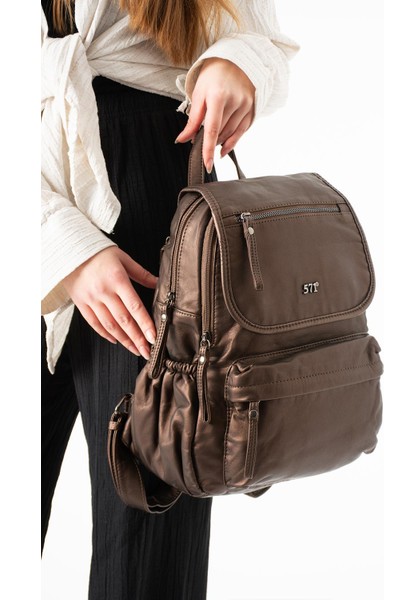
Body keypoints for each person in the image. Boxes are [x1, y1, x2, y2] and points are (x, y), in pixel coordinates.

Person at [41, 1, 300, 598]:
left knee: (148, 543)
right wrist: (59, 242)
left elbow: (262, 41)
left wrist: (236, 63)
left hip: (160, 205)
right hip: (32, 173)